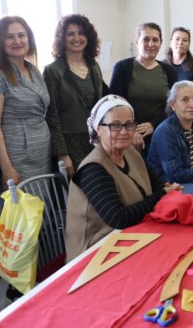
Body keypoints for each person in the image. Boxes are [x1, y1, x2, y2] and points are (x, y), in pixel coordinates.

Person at [65, 95, 182, 261]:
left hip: (131, 237)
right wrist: (163, 193)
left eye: (129, 124)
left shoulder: (130, 153)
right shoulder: (93, 169)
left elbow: (156, 183)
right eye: (115, 125)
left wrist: (169, 188)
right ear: (98, 129)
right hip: (96, 253)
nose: (124, 132)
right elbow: (119, 219)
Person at [0, 16, 52, 186]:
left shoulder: (33, 70)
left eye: (22, 35)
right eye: (9, 37)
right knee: (24, 207)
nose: (17, 41)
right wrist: (6, 167)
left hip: (43, 148)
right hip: (17, 153)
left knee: (44, 207)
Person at [44, 14, 108, 179]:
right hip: (70, 144)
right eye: (70, 34)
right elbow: (53, 115)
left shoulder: (94, 66)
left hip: (95, 141)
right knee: (77, 195)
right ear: (62, 38)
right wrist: (62, 154)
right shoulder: (53, 70)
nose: (77, 38)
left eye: (81, 33)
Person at [111, 22, 178, 158]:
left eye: (155, 40)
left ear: (161, 43)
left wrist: (153, 124)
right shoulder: (123, 67)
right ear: (137, 42)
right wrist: (130, 130)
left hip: (161, 134)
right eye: (145, 39)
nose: (151, 44)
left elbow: (173, 106)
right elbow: (114, 104)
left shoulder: (169, 71)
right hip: (128, 137)